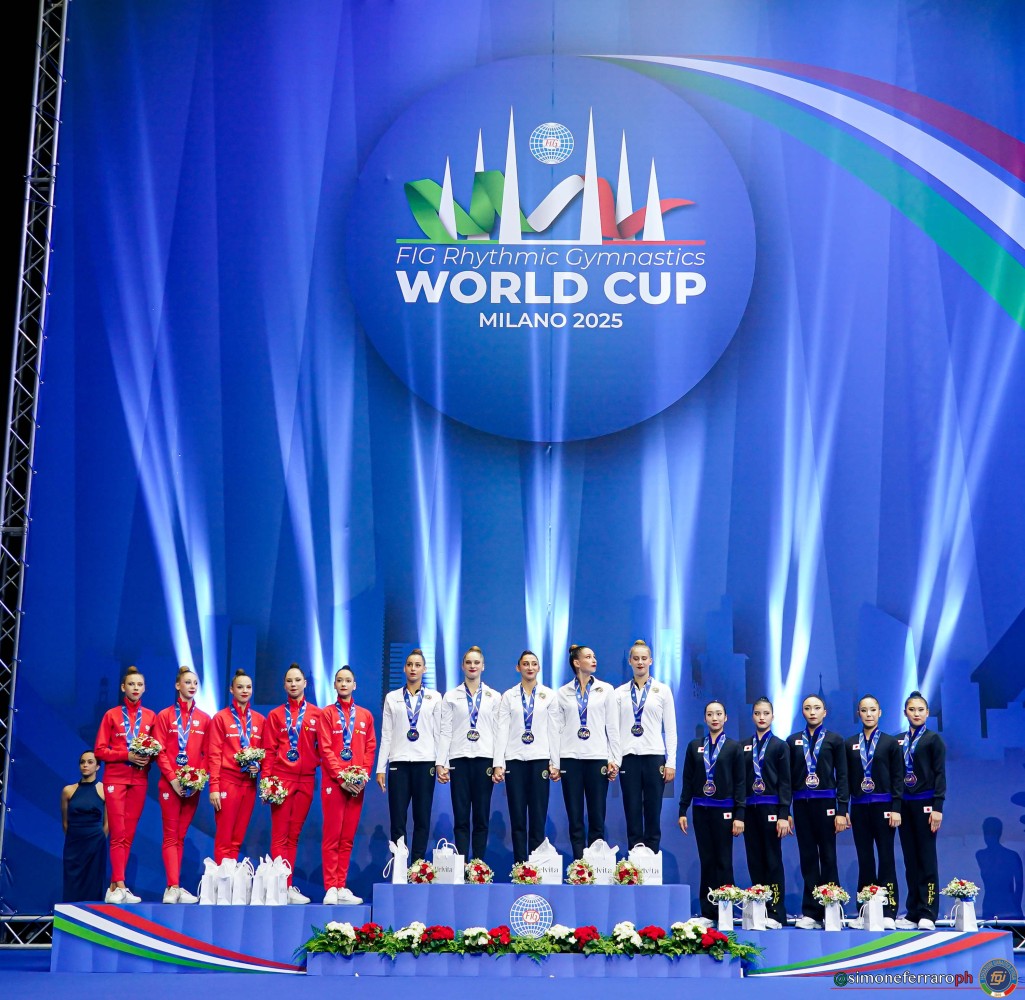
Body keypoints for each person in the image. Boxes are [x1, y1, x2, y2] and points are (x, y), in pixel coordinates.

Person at [94, 665, 157, 903]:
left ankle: (115, 887)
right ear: (123, 687)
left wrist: (148, 758)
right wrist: (126, 755)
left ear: (145, 688)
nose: (135, 688)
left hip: (139, 779)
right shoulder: (111, 715)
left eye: (139, 685)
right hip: (116, 778)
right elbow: (100, 750)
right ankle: (119, 884)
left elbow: (156, 749)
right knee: (118, 832)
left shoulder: (150, 717)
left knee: (128, 834)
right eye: (131, 684)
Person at [678, 701, 745, 922]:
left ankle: (725, 911)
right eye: (710, 714)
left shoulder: (734, 747)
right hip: (701, 810)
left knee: (723, 861)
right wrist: (682, 809)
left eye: (718, 714)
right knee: (706, 860)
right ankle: (708, 912)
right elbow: (687, 780)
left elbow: (740, 783)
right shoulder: (694, 746)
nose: (714, 718)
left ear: (726, 718)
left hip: (725, 812)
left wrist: (739, 815)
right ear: (705, 718)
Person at [492, 650, 561, 863]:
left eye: (533, 664)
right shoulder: (509, 696)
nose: (530, 667)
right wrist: (498, 763)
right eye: (525, 664)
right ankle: (521, 867)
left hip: (540, 760)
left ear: (538, 668)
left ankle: (536, 867)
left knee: (538, 818)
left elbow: (554, 730)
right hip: (514, 760)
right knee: (518, 817)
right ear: (518, 667)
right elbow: (501, 730)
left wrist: (555, 762)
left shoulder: (549, 695)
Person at [787, 694, 849, 929]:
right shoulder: (793, 741)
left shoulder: (835, 740)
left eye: (817, 708)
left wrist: (842, 810)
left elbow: (842, 777)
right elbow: (787, 780)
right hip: (801, 805)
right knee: (808, 858)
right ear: (802, 712)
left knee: (829, 856)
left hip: (827, 805)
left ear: (825, 712)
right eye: (807, 708)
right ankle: (811, 912)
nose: (812, 712)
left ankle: (831, 908)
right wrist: (786, 811)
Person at [376, 648, 442, 862]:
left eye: (417, 665)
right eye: (410, 665)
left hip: (425, 763)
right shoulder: (392, 697)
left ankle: (418, 866)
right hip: (399, 764)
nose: (413, 669)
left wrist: (441, 763)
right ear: (404, 669)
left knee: (422, 818)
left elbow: (439, 733)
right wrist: (380, 768)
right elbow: (386, 734)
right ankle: (399, 865)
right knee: (398, 819)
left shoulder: (434, 697)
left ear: (424, 669)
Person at [264, 663, 322, 903]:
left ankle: (286, 887)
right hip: (281, 779)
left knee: (294, 835)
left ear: (305, 683)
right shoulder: (276, 715)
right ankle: (279, 887)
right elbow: (269, 750)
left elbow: (325, 748)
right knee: (280, 835)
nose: (293, 684)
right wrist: (267, 781)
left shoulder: (317, 715)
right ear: (284, 685)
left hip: (306, 780)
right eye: (289, 681)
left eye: (297, 680)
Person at [318, 665, 376, 904]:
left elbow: (370, 748)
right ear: (334, 685)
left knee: (347, 837)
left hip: (357, 786)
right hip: (334, 783)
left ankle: (341, 886)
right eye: (339, 680)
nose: (343, 684)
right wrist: (342, 778)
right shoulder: (326, 714)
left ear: (355, 685)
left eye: (348, 680)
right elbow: (325, 749)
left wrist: (361, 777)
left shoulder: (365, 716)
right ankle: (330, 887)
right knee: (332, 836)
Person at [556, 644, 621, 860]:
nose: (594, 660)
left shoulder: (606, 690)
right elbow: (557, 730)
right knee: (575, 818)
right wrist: (555, 761)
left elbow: (612, 727)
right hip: (570, 759)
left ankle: (595, 863)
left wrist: (614, 760)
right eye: (588, 657)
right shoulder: (563, 692)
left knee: (597, 816)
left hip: (597, 759)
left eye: (594, 656)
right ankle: (579, 866)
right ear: (576, 662)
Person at [153, 666, 211, 903]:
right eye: (188, 682)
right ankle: (172, 887)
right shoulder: (165, 716)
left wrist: (198, 780)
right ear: (178, 685)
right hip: (170, 785)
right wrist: (174, 779)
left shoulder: (204, 719)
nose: (192, 686)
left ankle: (176, 886)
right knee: (170, 835)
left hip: (192, 787)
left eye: (195, 683)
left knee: (180, 835)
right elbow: (159, 751)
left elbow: (208, 754)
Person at [437, 645, 500, 861]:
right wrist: (441, 763)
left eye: (476, 662)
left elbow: (498, 732)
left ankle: (478, 867)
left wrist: (498, 763)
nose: (473, 666)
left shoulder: (494, 696)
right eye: (469, 662)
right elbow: (445, 731)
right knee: (461, 817)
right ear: (462, 666)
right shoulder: (451, 696)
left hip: (484, 760)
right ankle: (461, 865)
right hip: (459, 759)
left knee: (481, 817)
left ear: (483, 666)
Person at [845, 694, 902, 929]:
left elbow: (898, 777)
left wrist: (896, 808)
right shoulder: (850, 744)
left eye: (872, 710)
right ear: (858, 713)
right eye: (864, 710)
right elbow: (845, 779)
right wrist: (844, 808)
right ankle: (865, 911)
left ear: (880, 712)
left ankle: (889, 911)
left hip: (884, 807)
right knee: (865, 859)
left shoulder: (890, 743)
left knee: (886, 858)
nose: (868, 714)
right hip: (859, 808)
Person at [616, 639, 677, 852]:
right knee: (631, 807)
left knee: (653, 807)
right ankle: (634, 852)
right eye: (636, 658)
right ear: (630, 661)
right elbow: (613, 730)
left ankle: (652, 852)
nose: (640, 662)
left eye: (644, 658)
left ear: (651, 661)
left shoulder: (662, 690)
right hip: (628, 758)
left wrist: (671, 762)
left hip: (654, 756)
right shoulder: (619, 693)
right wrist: (615, 759)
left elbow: (671, 729)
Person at [896, 690, 946, 930]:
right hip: (904, 806)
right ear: (905, 712)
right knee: (910, 859)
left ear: (927, 713)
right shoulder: (898, 741)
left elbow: (940, 775)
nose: (916, 713)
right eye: (912, 709)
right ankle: (913, 911)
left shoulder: (933, 740)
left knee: (926, 858)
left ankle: (928, 911)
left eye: (920, 710)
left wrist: (938, 807)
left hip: (926, 804)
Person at [741, 697, 791, 929]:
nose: (761, 717)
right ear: (753, 716)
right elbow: (740, 783)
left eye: (766, 713)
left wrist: (783, 814)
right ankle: (759, 908)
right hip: (749, 810)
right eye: (757, 713)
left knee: (772, 860)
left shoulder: (780, 746)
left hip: (772, 809)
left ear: (772, 716)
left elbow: (785, 783)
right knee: (754, 860)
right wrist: (739, 813)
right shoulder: (744, 746)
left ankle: (776, 912)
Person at [207, 668, 266, 863]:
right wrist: (214, 787)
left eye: (248, 687)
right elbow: (214, 754)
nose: (245, 691)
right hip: (228, 781)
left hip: (249, 784)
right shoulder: (220, 718)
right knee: (224, 837)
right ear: (231, 690)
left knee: (238, 838)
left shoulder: (260, 720)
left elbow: (265, 752)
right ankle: (221, 879)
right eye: (240, 687)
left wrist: (258, 766)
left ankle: (231, 878)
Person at [61, 751, 107, 902]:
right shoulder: (68, 790)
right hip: (74, 844)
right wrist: (74, 837)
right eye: (82, 762)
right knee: (72, 882)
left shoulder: (104, 790)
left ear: (98, 767)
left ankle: (92, 915)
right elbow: (65, 822)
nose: (85, 765)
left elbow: (107, 823)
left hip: (95, 843)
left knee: (93, 882)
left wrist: (99, 840)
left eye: (90, 762)